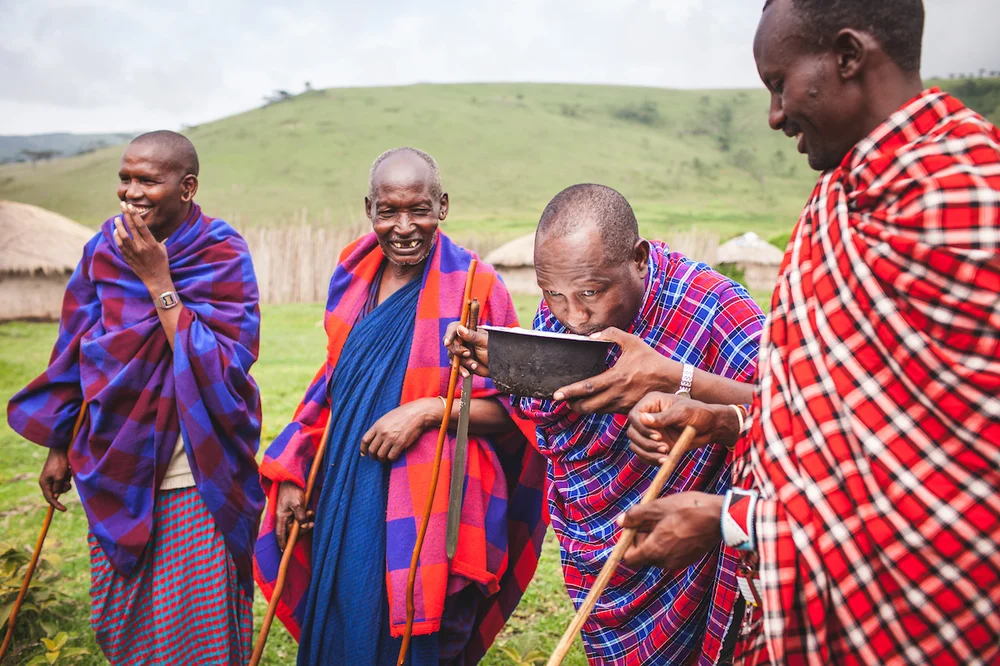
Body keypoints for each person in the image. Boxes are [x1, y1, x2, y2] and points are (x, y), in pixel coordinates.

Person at [620, 1, 1000, 664]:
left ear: (849, 57)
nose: (774, 116)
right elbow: (836, 410)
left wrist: (731, 521)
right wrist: (728, 422)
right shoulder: (837, 199)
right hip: (802, 615)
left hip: (922, 627)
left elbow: (960, 489)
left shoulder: (966, 202)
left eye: (780, 84)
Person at [446, 183, 765, 664]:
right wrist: (509, 362)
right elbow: (561, 404)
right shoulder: (564, 314)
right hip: (597, 542)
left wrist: (679, 380)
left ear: (637, 258)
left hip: (690, 549)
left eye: (591, 292)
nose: (573, 316)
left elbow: (793, 412)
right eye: (553, 294)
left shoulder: (713, 306)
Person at [252, 147, 547, 666]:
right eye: (389, 211)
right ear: (370, 209)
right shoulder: (353, 277)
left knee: (416, 641)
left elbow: (515, 413)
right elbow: (334, 386)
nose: (404, 226)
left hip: (432, 505)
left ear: (444, 206)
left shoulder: (476, 287)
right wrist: (296, 469)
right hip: (348, 487)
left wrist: (428, 411)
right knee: (345, 619)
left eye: (420, 210)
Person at [7, 130, 264, 664]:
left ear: (186, 186)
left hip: (192, 468)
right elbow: (73, 351)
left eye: (148, 179)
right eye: (125, 178)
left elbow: (226, 366)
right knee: (128, 630)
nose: (131, 192)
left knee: (198, 630)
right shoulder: (103, 248)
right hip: (114, 459)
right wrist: (59, 445)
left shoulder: (220, 251)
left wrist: (157, 279)